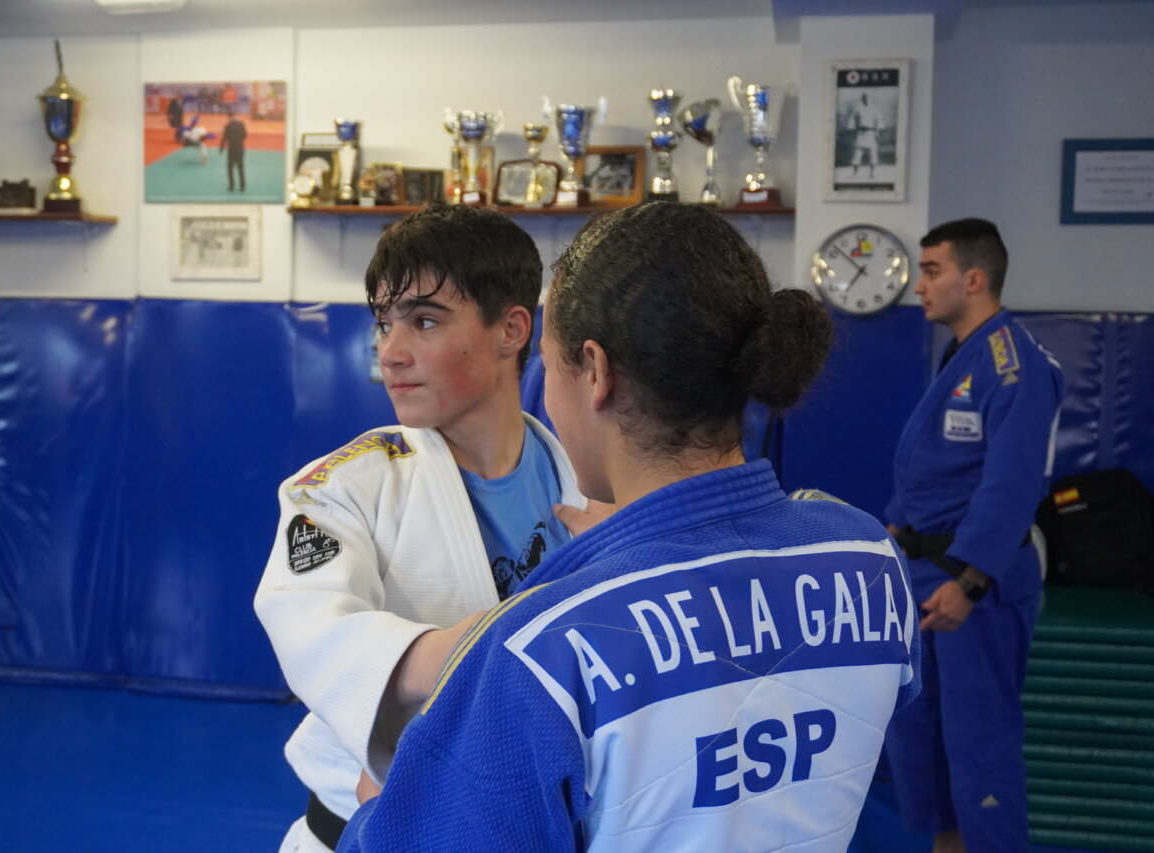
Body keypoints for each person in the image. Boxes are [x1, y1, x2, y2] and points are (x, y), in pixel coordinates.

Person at [335, 202, 921, 853]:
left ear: (596, 371)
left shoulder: (544, 644)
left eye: (549, 368)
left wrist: (379, 810)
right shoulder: (868, 556)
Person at [255, 203, 587, 853]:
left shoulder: (579, 478)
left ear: (511, 329)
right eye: (384, 322)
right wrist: (485, 648)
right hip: (363, 832)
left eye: (424, 321)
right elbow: (308, 620)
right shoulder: (339, 487)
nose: (390, 352)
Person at [883, 218, 1063, 853]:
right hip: (925, 573)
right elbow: (935, 468)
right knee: (925, 741)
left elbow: (1010, 487)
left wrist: (970, 582)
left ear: (975, 278)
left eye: (932, 271)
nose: (919, 286)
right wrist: (897, 528)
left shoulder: (1015, 365)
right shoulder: (963, 354)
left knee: (978, 745)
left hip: (973, 585)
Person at [848, 92, 884, 179]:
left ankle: (872, 173)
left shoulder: (874, 108)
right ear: (862, 99)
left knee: (873, 153)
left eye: (868, 98)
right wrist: (852, 128)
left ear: (870, 98)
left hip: (871, 132)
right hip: (861, 132)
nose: (866, 99)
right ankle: (855, 173)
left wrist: (877, 131)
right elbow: (852, 118)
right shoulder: (858, 108)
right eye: (864, 98)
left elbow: (879, 120)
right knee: (857, 153)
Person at [220, 111, 247, 192]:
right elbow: (245, 135)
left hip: (231, 150)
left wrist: (221, 148)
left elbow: (224, 138)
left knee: (230, 168)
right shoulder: (241, 124)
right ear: (235, 116)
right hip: (240, 149)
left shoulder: (227, 126)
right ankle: (242, 186)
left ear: (228, 117)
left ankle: (232, 186)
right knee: (241, 168)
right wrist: (239, 141)